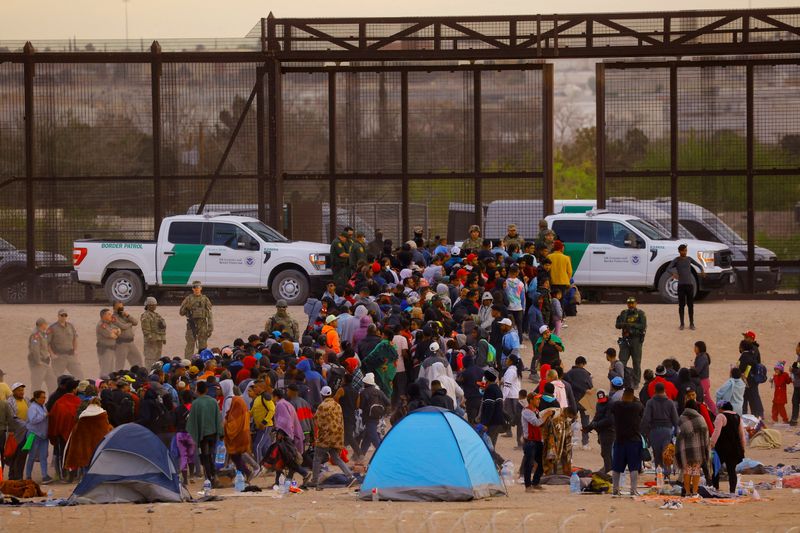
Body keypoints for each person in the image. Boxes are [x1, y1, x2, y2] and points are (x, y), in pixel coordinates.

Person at [309, 386, 354, 489]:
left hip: (325, 437)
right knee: (336, 458)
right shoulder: (338, 405)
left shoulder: (322, 406)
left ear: (322, 395)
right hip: (337, 437)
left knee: (317, 458)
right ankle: (350, 476)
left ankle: (314, 481)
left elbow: (316, 421)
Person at [187, 380, 223, 485]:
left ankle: (209, 477)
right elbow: (218, 418)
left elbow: (192, 422)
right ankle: (214, 475)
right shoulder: (213, 401)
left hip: (203, 436)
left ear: (197, 391)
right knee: (211, 455)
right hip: (213, 433)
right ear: (207, 390)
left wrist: (194, 435)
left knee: (205, 456)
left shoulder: (196, 403)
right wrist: (220, 433)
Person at [64, 398, 112, 476]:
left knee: (86, 467)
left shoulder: (83, 416)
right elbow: (106, 429)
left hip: (85, 447)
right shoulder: (103, 415)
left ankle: (86, 483)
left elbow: (76, 432)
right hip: (99, 446)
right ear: (99, 404)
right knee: (98, 468)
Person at [610, 388, 644, 496]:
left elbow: (612, 407)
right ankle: (633, 490)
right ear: (632, 396)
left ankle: (615, 489)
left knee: (617, 467)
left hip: (620, 440)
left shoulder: (616, 406)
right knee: (634, 467)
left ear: (623, 395)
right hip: (634, 440)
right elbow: (641, 408)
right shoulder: (637, 406)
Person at [641, 382, 679, 473]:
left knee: (657, 455)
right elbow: (676, 419)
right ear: (664, 390)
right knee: (666, 454)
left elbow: (646, 419)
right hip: (667, 431)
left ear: (655, 391)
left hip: (654, 431)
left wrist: (645, 432)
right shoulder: (670, 402)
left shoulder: (650, 402)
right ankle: (667, 474)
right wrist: (676, 431)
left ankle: (659, 475)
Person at [48, 378, 81, 482]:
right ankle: (73, 474)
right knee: (74, 453)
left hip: (61, 434)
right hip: (75, 434)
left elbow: (53, 418)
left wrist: (55, 432)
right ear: (74, 389)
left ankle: (64, 475)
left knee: (63, 454)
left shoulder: (59, 402)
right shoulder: (78, 401)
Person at [675, 400, 710, 497]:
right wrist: (706, 448)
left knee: (687, 471)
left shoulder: (681, 418)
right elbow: (706, 434)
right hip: (698, 450)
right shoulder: (700, 418)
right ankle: (695, 492)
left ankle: (687, 492)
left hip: (686, 450)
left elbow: (679, 434)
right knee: (696, 471)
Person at [710, 401, 746, 493]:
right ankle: (732, 491)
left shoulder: (721, 416)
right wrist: (742, 447)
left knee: (716, 469)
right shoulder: (737, 417)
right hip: (734, 448)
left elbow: (716, 432)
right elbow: (742, 434)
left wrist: (711, 444)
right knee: (732, 471)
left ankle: (715, 488)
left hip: (721, 448)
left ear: (721, 408)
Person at [667, 244, 705, 330]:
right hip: (681, 285)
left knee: (690, 305)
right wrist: (673, 273)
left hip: (689, 285)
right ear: (679, 251)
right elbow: (668, 268)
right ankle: (682, 324)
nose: (685, 252)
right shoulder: (676, 260)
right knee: (681, 305)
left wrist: (702, 270)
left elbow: (699, 265)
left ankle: (692, 323)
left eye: (686, 250)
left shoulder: (689, 259)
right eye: (683, 250)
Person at [521, 392, 551, 491]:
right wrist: (546, 415)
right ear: (531, 400)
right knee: (529, 464)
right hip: (530, 441)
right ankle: (528, 486)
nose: (539, 401)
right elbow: (536, 423)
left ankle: (535, 482)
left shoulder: (537, 411)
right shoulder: (526, 411)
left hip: (538, 441)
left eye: (539, 399)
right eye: (537, 399)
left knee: (542, 462)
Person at [615, 296, 647, 388]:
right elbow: (617, 325)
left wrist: (631, 326)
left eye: (632, 303)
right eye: (629, 303)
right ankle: (621, 380)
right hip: (625, 340)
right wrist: (625, 325)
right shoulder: (623, 313)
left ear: (636, 303)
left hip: (636, 340)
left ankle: (636, 381)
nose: (631, 305)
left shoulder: (640, 313)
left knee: (636, 362)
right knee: (622, 361)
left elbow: (643, 325)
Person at [582, 389, 615, 473]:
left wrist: (596, 424)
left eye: (603, 399)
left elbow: (609, 420)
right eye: (600, 400)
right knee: (605, 452)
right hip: (601, 431)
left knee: (606, 452)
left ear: (607, 396)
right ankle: (608, 468)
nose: (602, 401)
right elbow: (597, 416)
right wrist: (589, 427)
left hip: (609, 431)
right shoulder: (599, 404)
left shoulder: (611, 404)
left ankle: (608, 469)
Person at [223, 387, 253, 480]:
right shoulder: (241, 405)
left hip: (238, 436)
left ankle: (245, 473)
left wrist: (225, 425)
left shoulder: (237, 405)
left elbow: (234, 425)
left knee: (235, 455)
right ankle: (244, 473)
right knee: (237, 456)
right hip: (242, 435)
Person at [358, 373, 389, 457]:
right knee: (367, 438)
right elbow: (388, 402)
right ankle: (359, 456)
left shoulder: (363, 392)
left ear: (366, 383)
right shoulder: (379, 391)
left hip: (368, 418)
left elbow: (361, 406)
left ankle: (383, 455)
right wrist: (382, 412)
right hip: (377, 417)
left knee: (374, 438)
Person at [564, 356, 593, 449]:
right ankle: (585, 443)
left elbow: (568, 386)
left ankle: (569, 441)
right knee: (585, 423)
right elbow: (591, 387)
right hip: (585, 402)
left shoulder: (569, 373)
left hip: (573, 401)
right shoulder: (587, 374)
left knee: (571, 421)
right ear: (583, 364)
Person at [24, 389, 52, 484]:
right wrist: (44, 415)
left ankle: (45, 476)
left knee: (43, 456)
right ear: (36, 398)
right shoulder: (33, 407)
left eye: (45, 397)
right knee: (32, 456)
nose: (44, 399)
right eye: (42, 397)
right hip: (33, 434)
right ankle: (28, 476)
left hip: (43, 435)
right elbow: (33, 420)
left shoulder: (43, 407)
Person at [180, 280, 213, 357]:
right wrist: (186, 307)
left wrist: (210, 327)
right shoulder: (188, 299)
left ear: (201, 288)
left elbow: (210, 314)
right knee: (190, 345)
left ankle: (202, 363)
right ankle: (187, 363)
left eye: (198, 287)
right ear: (192, 288)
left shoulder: (205, 299)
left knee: (203, 346)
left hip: (203, 325)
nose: (197, 289)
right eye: (195, 287)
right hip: (192, 325)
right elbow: (181, 312)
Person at [47, 309, 83, 378]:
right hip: (58, 357)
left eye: (65, 315)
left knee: (80, 375)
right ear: (58, 316)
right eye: (62, 315)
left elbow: (75, 339)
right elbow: (47, 343)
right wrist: (52, 354)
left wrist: (75, 350)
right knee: (57, 378)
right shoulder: (52, 328)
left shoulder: (70, 326)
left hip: (71, 356)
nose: (64, 317)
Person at [112, 300, 144, 370]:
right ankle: (117, 378)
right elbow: (122, 326)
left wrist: (128, 316)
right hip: (121, 344)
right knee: (120, 364)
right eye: (119, 308)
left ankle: (138, 376)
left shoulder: (125, 315)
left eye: (122, 307)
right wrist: (130, 324)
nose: (121, 309)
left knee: (137, 360)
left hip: (131, 343)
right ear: (114, 308)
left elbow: (135, 322)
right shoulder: (113, 317)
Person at [28, 317, 56, 393]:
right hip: (39, 364)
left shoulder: (43, 334)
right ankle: (33, 403)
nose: (47, 326)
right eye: (46, 324)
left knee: (53, 382)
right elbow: (35, 349)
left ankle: (51, 401)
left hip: (45, 363)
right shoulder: (36, 335)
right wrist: (38, 361)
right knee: (36, 386)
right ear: (42, 325)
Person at [738, 339, 764, 418]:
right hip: (752, 381)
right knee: (753, 399)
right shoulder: (751, 354)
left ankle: (746, 416)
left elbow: (741, 368)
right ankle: (756, 415)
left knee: (745, 399)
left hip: (747, 382)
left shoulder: (744, 356)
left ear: (742, 347)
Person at [480, 370, 505, 447]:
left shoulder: (490, 390)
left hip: (491, 423)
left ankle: (492, 458)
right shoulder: (497, 389)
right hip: (497, 421)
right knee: (492, 444)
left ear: (487, 379)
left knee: (488, 446)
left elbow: (489, 408)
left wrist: (485, 423)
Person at [141, 297, 167, 368]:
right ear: (147, 306)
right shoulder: (146, 316)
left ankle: (156, 372)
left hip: (158, 339)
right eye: (151, 305)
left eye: (154, 305)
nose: (153, 306)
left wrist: (163, 338)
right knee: (150, 358)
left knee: (157, 358)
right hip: (151, 341)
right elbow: (145, 329)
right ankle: (149, 372)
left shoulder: (157, 315)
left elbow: (162, 327)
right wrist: (150, 337)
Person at [96, 308, 120, 376]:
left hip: (111, 349)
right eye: (109, 314)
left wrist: (115, 332)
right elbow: (113, 336)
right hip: (105, 350)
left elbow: (119, 330)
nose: (111, 315)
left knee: (110, 370)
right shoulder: (101, 325)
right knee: (105, 370)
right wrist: (115, 332)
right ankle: (102, 385)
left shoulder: (109, 324)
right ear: (104, 316)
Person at [692, 341, 715, 415]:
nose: (694, 349)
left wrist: (692, 370)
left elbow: (698, 370)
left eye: (696, 347)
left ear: (700, 348)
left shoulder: (702, 357)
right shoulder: (701, 356)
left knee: (699, 399)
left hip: (703, 382)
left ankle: (701, 415)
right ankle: (716, 413)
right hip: (704, 381)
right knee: (708, 400)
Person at [791, 342, 800, 426]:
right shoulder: (798, 358)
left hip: (799, 385)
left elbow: (798, 370)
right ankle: (794, 419)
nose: (796, 348)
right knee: (795, 401)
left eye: (797, 347)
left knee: (795, 401)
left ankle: (794, 419)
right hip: (797, 384)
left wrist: (792, 370)